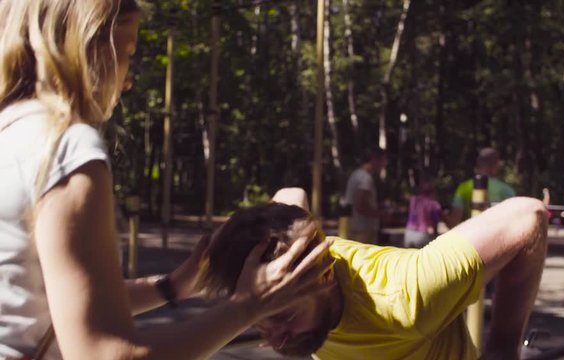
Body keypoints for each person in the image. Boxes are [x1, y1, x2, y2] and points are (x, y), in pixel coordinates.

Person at [0, 2, 332, 359]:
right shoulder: (65, 146)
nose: (127, 80)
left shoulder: (12, 129)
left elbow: (57, 297)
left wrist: (173, 286)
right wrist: (248, 306)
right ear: (88, 44)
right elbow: (104, 353)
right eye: (127, 52)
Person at [200, 188, 548, 359]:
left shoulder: (406, 297)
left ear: (323, 275)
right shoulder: (291, 268)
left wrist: (503, 347)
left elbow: (528, 215)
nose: (277, 339)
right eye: (260, 320)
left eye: (286, 317)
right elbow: (292, 193)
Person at [445, 147, 516, 228]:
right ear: (495, 165)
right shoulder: (506, 190)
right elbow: (513, 223)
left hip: (472, 236)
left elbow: (454, 222)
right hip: (498, 237)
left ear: (478, 164)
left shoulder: (464, 188)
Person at [343, 147, 387, 244]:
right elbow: (361, 206)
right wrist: (382, 215)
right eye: (383, 160)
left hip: (353, 228)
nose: (384, 164)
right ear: (374, 159)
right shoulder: (365, 179)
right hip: (364, 230)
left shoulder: (356, 174)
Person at [403, 178, 442, 248]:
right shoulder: (433, 204)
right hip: (422, 235)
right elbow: (435, 222)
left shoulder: (414, 200)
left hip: (409, 233)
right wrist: (435, 237)